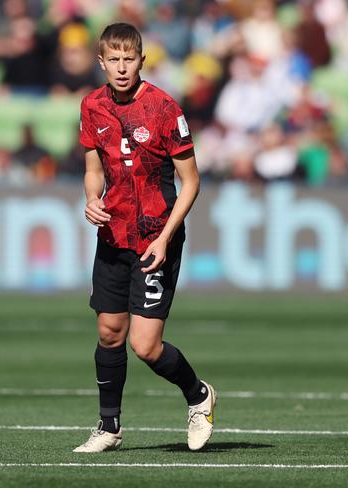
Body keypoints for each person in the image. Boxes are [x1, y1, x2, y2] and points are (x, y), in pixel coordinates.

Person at [74, 23, 216, 453]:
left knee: (145, 345)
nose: (121, 68)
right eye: (113, 60)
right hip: (113, 237)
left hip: (157, 239)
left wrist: (165, 237)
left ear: (142, 60)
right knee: (109, 332)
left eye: (128, 59)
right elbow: (93, 168)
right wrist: (90, 198)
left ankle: (198, 395)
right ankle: (109, 428)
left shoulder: (164, 109)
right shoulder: (91, 106)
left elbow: (190, 182)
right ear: (101, 62)